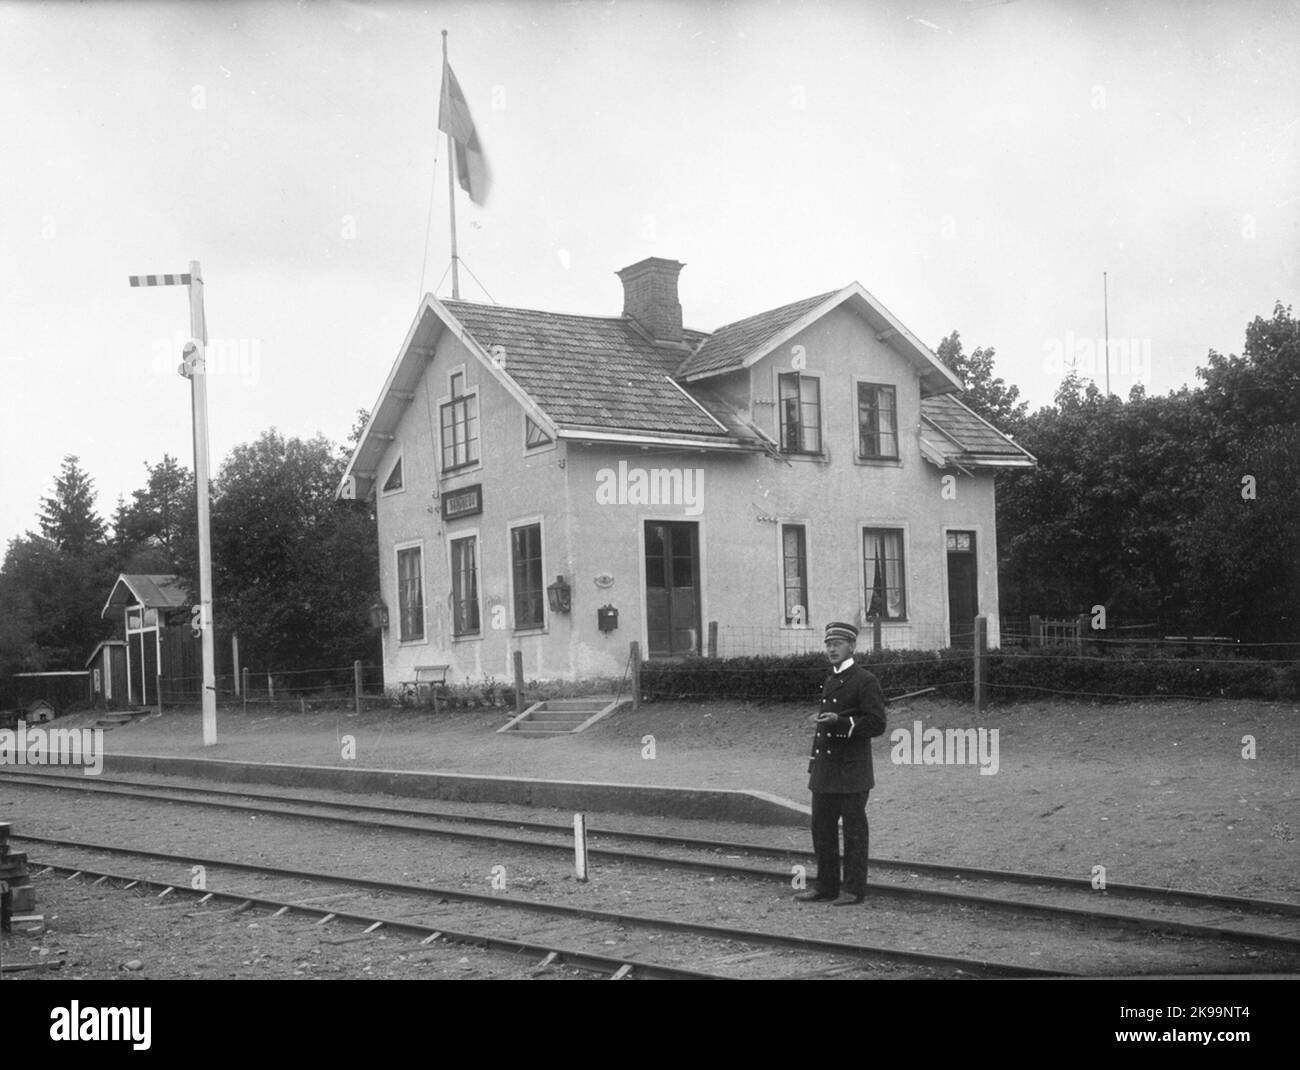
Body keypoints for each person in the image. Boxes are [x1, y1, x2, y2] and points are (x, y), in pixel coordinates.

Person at [794, 621, 886, 906]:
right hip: (825, 771)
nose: (831, 649)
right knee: (822, 829)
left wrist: (842, 722)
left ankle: (853, 890)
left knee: (855, 832)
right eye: (828, 644)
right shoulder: (831, 679)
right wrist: (814, 762)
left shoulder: (865, 680)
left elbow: (877, 723)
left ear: (852, 646)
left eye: (837, 644)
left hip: (852, 771)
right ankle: (826, 886)